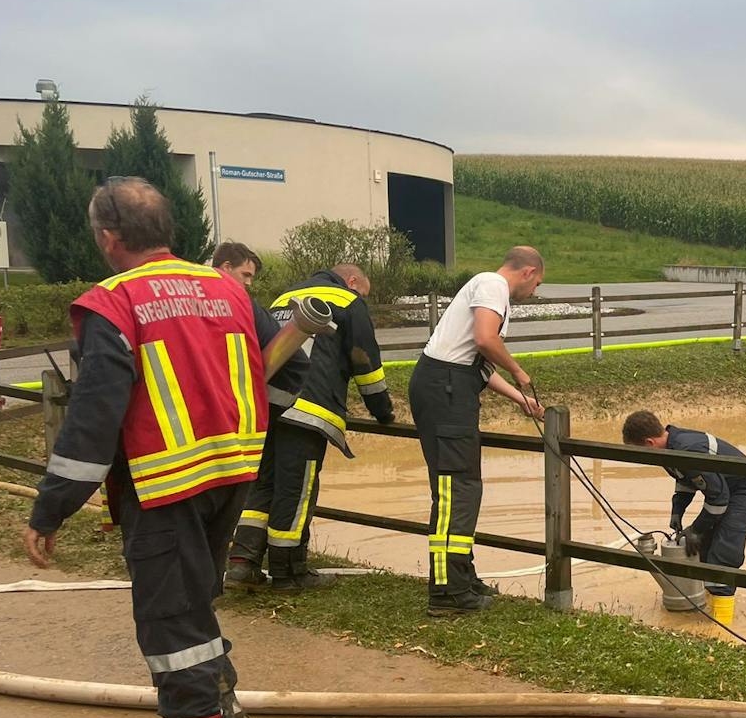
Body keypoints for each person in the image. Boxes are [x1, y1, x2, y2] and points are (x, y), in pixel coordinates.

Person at [23, 177, 275, 718]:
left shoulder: (111, 303)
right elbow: (276, 360)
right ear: (169, 231)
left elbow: (94, 417)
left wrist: (51, 507)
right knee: (195, 602)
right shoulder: (226, 289)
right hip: (233, 470)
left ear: (109, 239)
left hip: (165, 482)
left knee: (171, 623)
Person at [226, 263, 394, 590]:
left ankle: (242, 561)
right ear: (353, 281)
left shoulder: (282, 299)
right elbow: (364, 361)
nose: (362, 298)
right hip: (307, 408)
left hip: (268, 405)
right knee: (297, 488)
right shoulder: (348, 300)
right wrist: (383, 411)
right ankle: (289, 571)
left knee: (265, 484)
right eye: (363, 292)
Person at [409, 247, 544, 616]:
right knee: (459, 489)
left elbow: (478, 364)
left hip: (449, 384)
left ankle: (461, 577)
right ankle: (448, 593)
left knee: (458, 488)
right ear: (529, 271)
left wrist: (521, 400)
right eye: (537, 285)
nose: (534, 293)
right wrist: (518, 370)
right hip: (446, 389)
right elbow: (486, 340)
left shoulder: (488, 289)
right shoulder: (491, 284)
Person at [621, 410, 746, 626]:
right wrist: (678, 510)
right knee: (703, 550)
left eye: (639, 452)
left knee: (723, 552)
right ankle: (708, 606)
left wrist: (696, 529)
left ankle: (722, 629)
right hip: (723, 492)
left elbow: (719, 499)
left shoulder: (687, 450)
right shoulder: (670, 448)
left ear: (649, 442)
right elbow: (686, 479)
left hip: (744, 491)